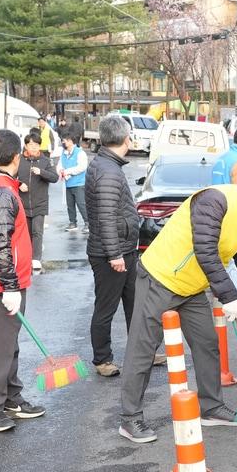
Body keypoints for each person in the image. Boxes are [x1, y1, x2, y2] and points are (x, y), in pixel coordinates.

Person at [116, 174, 237, 442]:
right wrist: (229, 296)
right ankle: (130, 418)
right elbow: (205, 250)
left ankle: (212, 407)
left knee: (207, 344)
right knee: (143, 348)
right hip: (161, 278)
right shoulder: (215, 200)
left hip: (192, 287)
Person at [0, 128, 46, 432]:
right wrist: (11, 285)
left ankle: (11, 397)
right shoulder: (1, 192)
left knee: (6, 344)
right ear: (17, 157)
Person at [84, 116, 139, 378]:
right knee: (106, 307)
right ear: (124, 138)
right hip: (112, 253)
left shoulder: (108, 165)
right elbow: (105, 217)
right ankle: (102, 359)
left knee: (135, 303)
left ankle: (142, 351)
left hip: (124, 248)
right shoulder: (107, 170)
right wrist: (114, 254)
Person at [18, 129, 59, 272]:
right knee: (27, 233)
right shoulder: (19, 160)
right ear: (26, 146)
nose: (34, 147)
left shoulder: (45, 161)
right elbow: (10, 177)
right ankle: (27, 256)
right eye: (31, 144)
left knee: (37, 231)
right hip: (22, 203)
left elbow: (55, 178)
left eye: (36, 144)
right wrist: (18, 184)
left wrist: (41, 172)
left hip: (40, 202)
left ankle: (36, 259)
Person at [58, 125, 88, 232]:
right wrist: (61, 171)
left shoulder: (80, 153)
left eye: (64, 141)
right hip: (68, 183)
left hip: (79, 183)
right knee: (70, 205)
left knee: (81, 204)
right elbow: (60, 165)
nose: (63, 142)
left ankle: (88, 223)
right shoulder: (63, 153)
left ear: (71, 141)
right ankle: (72, 223)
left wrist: (67, 171)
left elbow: (82, 167)